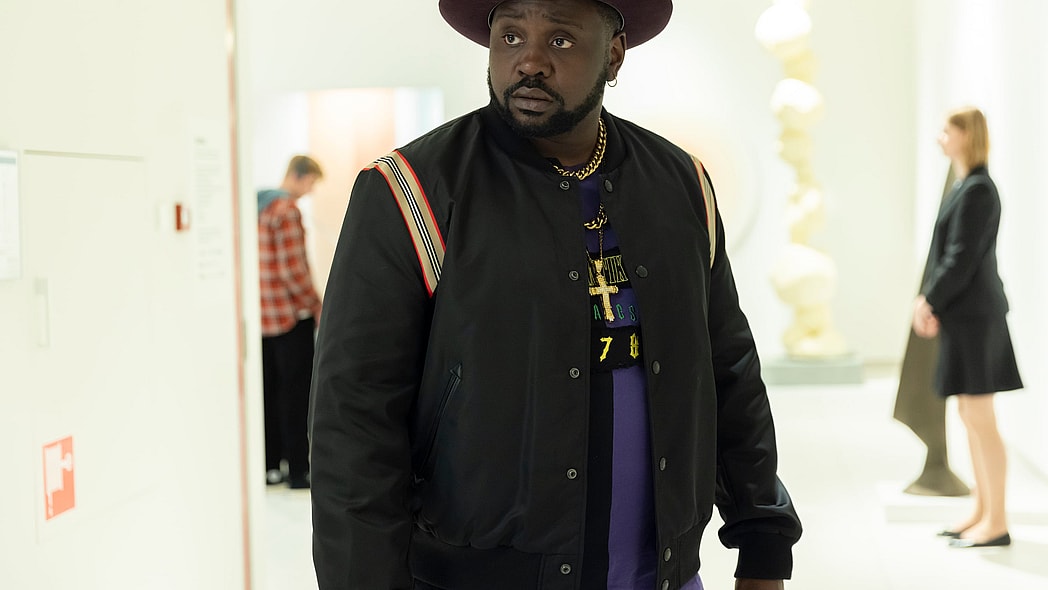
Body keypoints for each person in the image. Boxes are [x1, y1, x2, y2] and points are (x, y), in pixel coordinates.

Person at [310, 1, 801, 588]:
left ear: (614, 53)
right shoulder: (412, 191)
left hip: (664, 574)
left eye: (561, 41)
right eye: (510, 36)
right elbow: (354, 417)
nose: (529, 62)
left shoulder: (681, 184)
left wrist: (764, 534)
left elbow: (729, 371)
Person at [912, 107, 1023, 548]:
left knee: (981, 418)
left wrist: (929, 299)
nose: (941, 137)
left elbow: (961, 256)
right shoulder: (967, 186)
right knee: (970, 415)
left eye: (947, 130)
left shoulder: (978, 190)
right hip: (967, 320)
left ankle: (996, 520)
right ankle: (982, 510)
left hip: (977, 320)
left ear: (966, 136)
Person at [258, 154, 324, 490]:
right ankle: (298, 470)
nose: (308, 192)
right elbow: (292, 270)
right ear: (300, 176)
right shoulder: (287, 210)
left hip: (260, 320)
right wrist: (316, 303)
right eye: (311, 183)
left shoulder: (257, 204)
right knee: (296, 396)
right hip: (288, 318)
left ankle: (270, 467)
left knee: (267, 394)